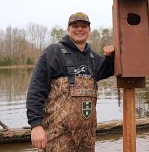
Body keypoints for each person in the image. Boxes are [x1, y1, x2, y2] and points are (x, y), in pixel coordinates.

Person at [26, 12, 115, 151]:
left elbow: (108, 70)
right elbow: (36, 90)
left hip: (87, 138)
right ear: (68, 29)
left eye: (84, 26)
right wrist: (36, 125)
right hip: (57, 137)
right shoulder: (53, 51)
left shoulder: (93, 57)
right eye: (75, 26)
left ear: (89, 31)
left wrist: (110, 57)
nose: (80, 29)